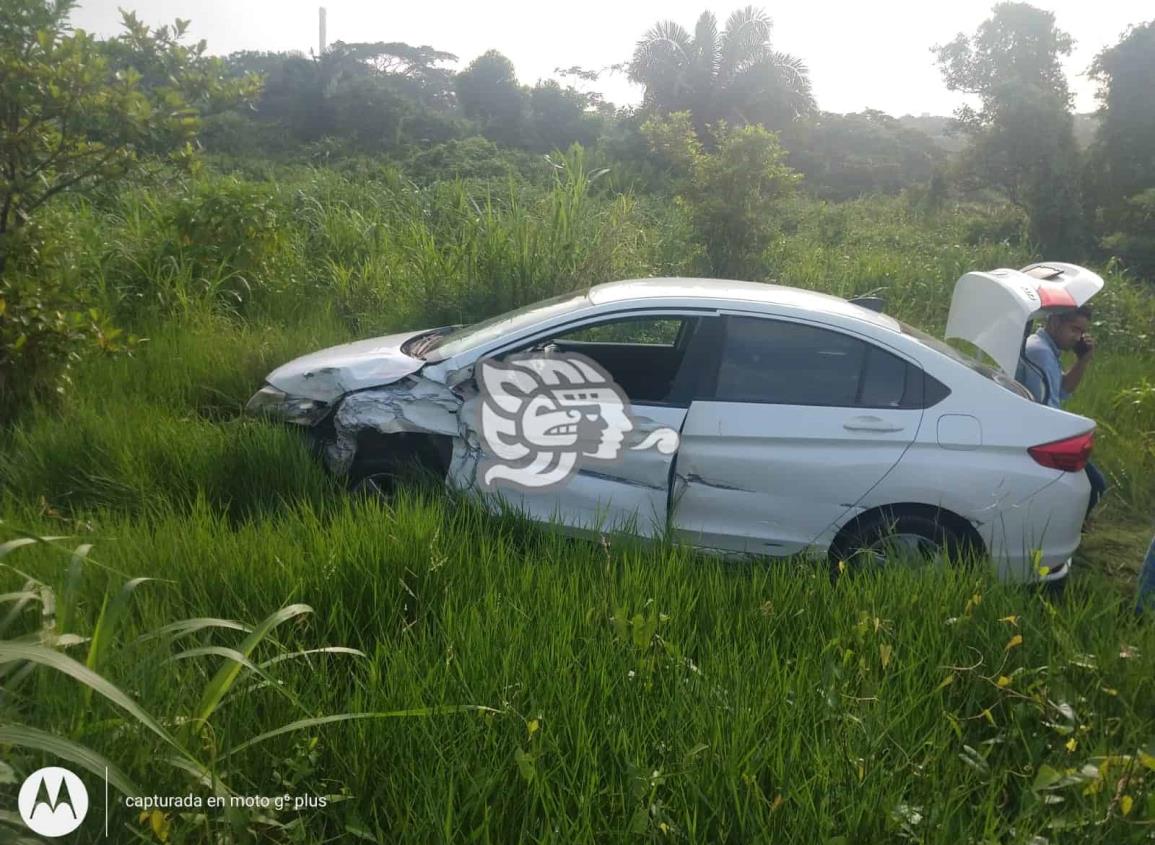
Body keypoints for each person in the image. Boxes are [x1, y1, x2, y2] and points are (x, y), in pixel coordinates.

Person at [1016, 306, 1107, 515]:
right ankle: (1069, 528)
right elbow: (1048, 407)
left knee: (1092, 484)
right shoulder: (1041, 353)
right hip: (1041, 433)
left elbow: (1063, 390)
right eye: (1074, 329)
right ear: (1055, 322)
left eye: (1082, 332)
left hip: (1039, 428)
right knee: (1095, 485)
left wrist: (1083, 359)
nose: (1078, 337)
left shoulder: (1045, 348)